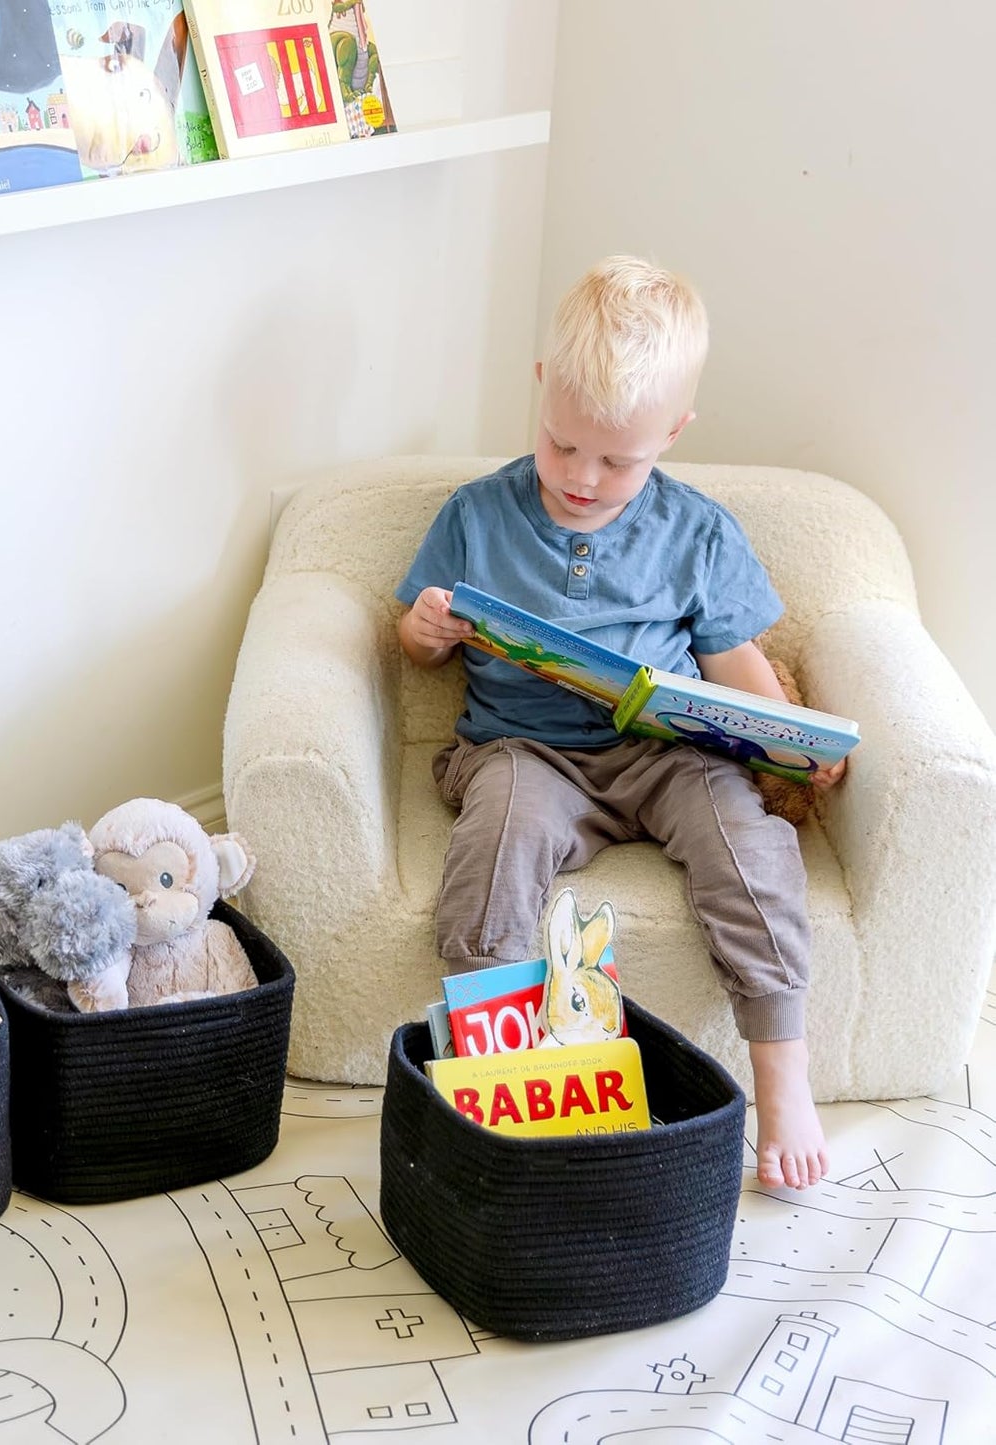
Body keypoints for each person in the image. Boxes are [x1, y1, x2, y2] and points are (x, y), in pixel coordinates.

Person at [396, 255, 845, 1190]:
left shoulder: (698, 532)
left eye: (617, 460)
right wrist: (426, 629)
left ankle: (780, 1072)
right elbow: (416, 645)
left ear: (673, 433)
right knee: (498, 835)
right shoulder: (476, 515)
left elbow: (734, 668)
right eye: (562, 446)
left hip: (666, 757)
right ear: (540, 392)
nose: (582, 479)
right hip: (521, 752)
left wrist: (788, 742)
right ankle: (495, 1067)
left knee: (745, 840)